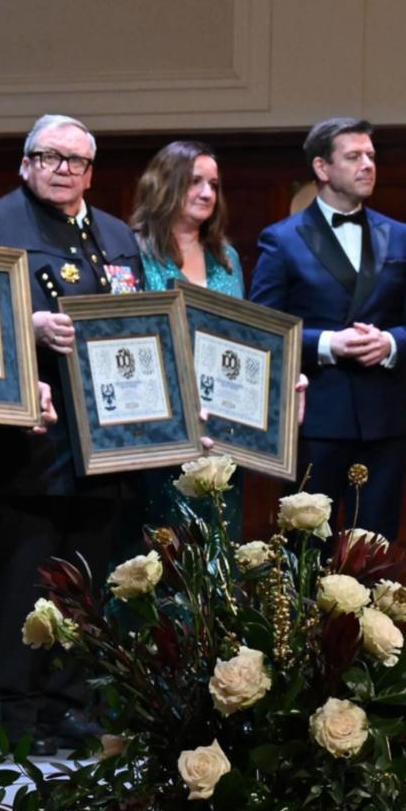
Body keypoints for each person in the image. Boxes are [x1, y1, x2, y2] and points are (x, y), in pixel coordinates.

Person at [0, 114, 143, 755]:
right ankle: (14, 713)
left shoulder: (117, 236)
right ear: (26, 163)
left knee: (81, 580)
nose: (63, 169)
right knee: (22, 579)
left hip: (104, 439)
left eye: (76, 161)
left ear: (91, 173)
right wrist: (31, 326)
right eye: (49, 157)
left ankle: (66, 705)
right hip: (28, 439)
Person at [248, 118, 406, 541]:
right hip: (317, 418)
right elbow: (262, 329)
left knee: (374, 548)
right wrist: (331, 343)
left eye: (371, 156)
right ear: (322, 167)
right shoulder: (283, 239)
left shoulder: (400, 236)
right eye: (353, 156)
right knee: (307, 549)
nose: (367, 164)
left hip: (385, 418)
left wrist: (390, 342)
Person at [128, 141, 244, 541]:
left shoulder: (226, 257)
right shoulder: (133, 251)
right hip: (160, 430)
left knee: (218, 549)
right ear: (165, 183)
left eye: (214, 184)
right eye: (195, 182)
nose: (207, 193)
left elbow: (242, 338)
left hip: (221, 431)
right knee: (160, 552)